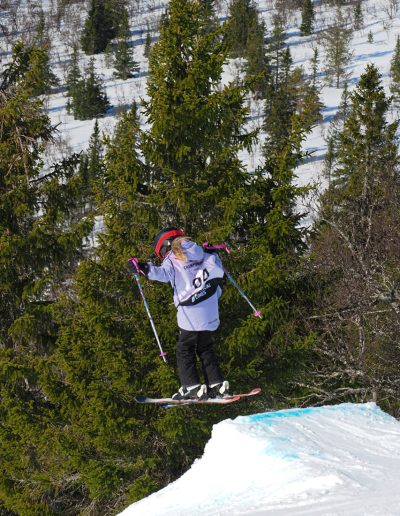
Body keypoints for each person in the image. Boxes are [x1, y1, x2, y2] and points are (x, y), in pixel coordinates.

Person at [137, 227, 230, 400]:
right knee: (205, 347)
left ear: (164, 247)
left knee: (184, 349)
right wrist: (213, 252)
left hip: (190, 312)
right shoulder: (202, 252)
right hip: (210, 309)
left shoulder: (173, 258)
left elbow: (163, 274)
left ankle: (191, 386)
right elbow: (218, 270)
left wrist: (144, 268)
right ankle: (216, 384)